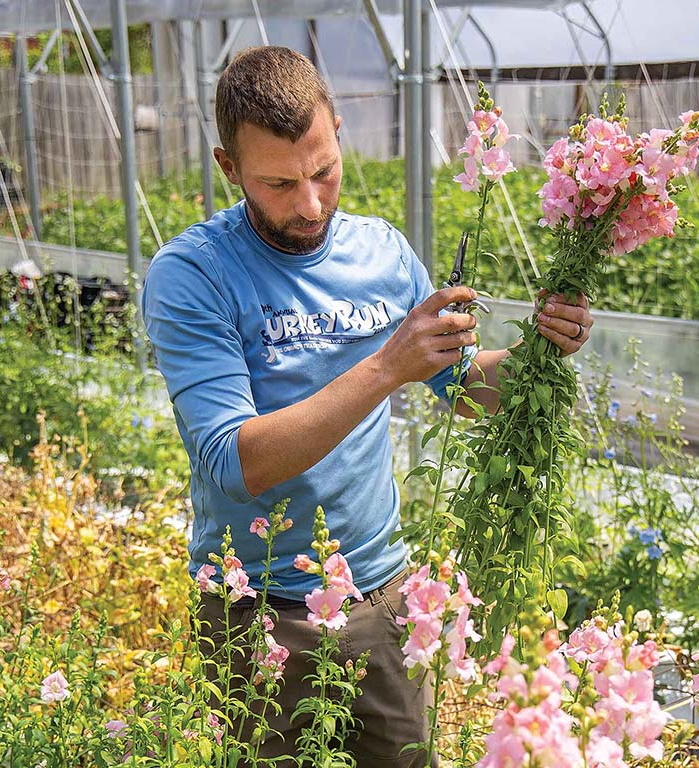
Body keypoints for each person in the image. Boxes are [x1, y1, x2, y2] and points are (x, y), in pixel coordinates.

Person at [140, 45, 592, 767]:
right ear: (229, 170)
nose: (311, 203)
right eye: (280, 184)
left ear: (339, 132)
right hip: (260, 607)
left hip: (382, 598)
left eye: (323, 170)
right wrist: (386, 367)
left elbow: (463, 387)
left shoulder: (380, 251)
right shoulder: (193, 275)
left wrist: (541, 351)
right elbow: (233, 462)